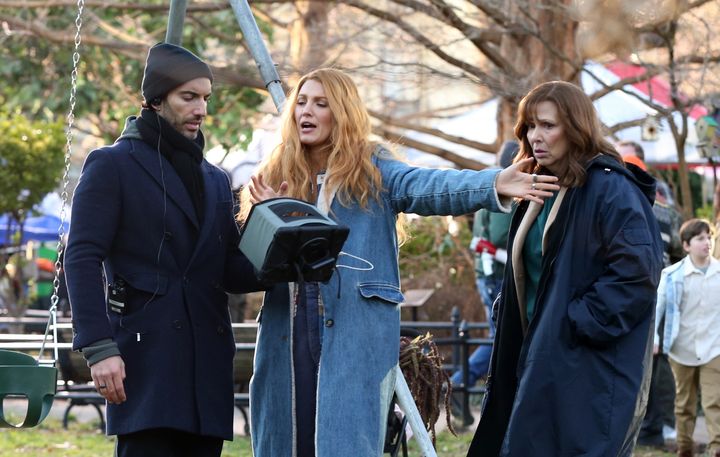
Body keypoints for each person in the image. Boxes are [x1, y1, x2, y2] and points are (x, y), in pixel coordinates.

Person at [241, 68, 559, 457]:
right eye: (301, 102)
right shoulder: (277, 172)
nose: (306, 111)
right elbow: (251, 265)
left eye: (321, 103)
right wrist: (270, 216)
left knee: (344, 439)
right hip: (289, 324)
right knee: (287, 436)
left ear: (342, 112)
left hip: (353, 324)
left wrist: (491, 184)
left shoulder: (372, 168)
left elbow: (429, 187)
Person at [64, 42, 264, 457]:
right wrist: (99, 347)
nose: (201, 109)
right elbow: (81, 257)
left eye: (206, 98)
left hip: (206, 366)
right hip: (145, 361)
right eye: (188, 97)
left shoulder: (215, 179)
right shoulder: (112, 164)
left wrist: (277, 241)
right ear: (155, 100)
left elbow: (229, 271)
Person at [468, 81, 664, 457]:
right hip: (533, 355)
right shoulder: (539, 187)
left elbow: (637, 275)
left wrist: (575, 323)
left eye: (548, 125)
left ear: (575, 127)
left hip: (584, 364)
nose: (535, 136)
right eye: (530, 126)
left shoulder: (611, 189)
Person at [617, 142, 683, 448]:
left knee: (649, 364)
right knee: (651, 363)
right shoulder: (662, 211)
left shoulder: (628, 203)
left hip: (645, 295)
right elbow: (679, 252)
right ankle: (652, 427)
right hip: (645, 294)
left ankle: (652, 427)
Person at [450, 140, 517, 425]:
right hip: (497, 274)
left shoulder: (492, 184)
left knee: (498, 337)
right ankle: (458, 383)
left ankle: (460, 384)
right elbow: (501, 237)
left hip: (489, 273)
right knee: (499, 338)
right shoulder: (506, 189)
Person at [655, 218, 720, 457]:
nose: (707, 242)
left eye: (709, 237)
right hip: (681, 349)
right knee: (684, 404)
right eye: (700, 238)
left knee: (714, 401)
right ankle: (684, 448)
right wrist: (654, 340)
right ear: (685, 245)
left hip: (714, 348)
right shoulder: (672, 275)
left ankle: (716, 448)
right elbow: (657, 308)